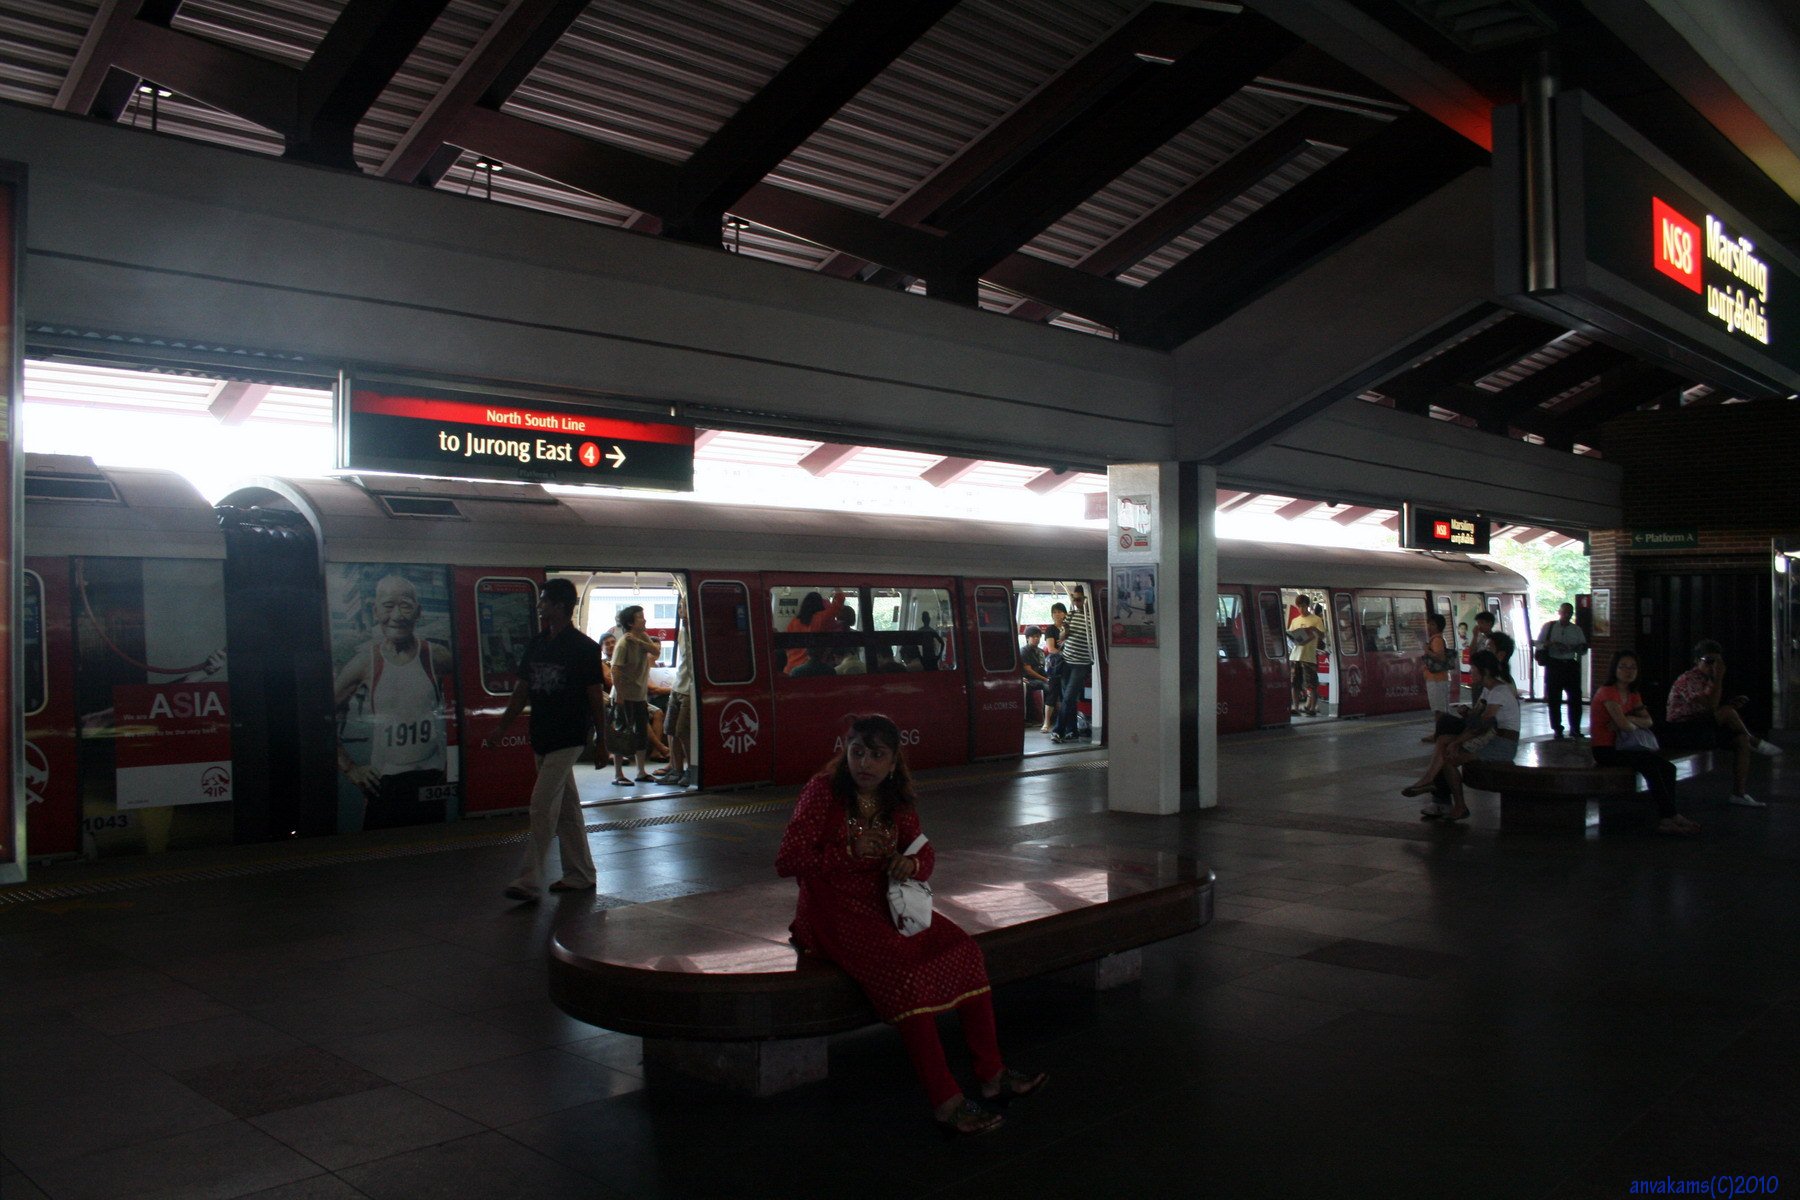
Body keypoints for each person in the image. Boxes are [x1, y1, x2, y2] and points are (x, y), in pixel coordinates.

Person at [775, 714, 1045, 1135]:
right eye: (857, 752)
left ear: (893, 761)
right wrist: (847, 853)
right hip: (832, 912)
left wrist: (912, 864)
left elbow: (924, 852)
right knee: (905, 976)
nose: (864, 763)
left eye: (876, 755)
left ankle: (992, 1073)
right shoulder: (823, 791)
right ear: (845, 752)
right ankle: (946, 1100)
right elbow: (788, 859)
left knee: (964, 950)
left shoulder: (895, 798)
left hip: (887, 904)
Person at [485, 578, 605, 901]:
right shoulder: (537, 644)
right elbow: (521, 691)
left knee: (541, 805)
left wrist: (602, 740)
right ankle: (580, 873)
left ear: (560, 606)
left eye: (544, 601)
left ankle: (529, 879)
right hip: (542, 734)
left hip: (569, 736)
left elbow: (595, 697)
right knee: (566, 809)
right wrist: (502, 728)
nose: (539, 606)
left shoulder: (584, 648)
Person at [333, 575, 453, 829]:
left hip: (430, 778)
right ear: (375, 611)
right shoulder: (365, 662)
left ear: (418, 612)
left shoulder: (437, 657)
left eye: (406, 606)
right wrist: (351, 768)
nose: (397, 616)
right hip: (384, 783)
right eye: (388, 606)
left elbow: (468, 703)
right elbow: (323, 715)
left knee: (430, 847)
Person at [1401, 649, 1519, 822]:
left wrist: (1457, 742)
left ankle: (1458, 804)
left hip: (1502, 745)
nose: (1470, 672)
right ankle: (1429, 779)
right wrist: (1467, 714)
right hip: (1492, 738)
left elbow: (1481, 726)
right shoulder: (1489, 690)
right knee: (1443, 739)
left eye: (1473, 669)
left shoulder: (1498, 692)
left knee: (1449, 760)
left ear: (1485, 671)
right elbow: (1477, 718)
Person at [1660, 640, 1782, 807]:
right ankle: (1754, 740)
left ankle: (1739, 793)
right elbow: (1710, 706)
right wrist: (1719, 679)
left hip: (1700, 726)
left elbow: (1711, 707)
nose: (1713, 666)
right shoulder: (1688, 679)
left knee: (1740, 740)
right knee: (1727, 712)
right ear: (1697, 661)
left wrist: (1728, 703)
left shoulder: (1709, 679)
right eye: (1709, 661)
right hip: (1681, 729)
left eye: (1717, 661)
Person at [1593, 651, 1701, 835]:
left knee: (1668, 768)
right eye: (1623, 667)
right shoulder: (1607, 692)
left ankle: (1669, 816)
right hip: (1606, 750)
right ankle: (1668, 816)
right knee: (1651, 767)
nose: (1628, 671)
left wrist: (1629, 719)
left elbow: (1648, 721)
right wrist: (1629, 721)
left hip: (1627, 747)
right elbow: (1624, 726)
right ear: (1614, 669)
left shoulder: (1633, 694)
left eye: (1632, 667)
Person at [610, 605, 660, 786]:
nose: (644, 619)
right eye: (640, 617)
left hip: (639, 695)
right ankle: (618, 774)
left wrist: (639, 642)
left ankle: (641, 771)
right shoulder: (623, 643)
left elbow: (656, 651)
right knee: (621, 733)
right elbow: (615, 670)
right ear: (630, 623)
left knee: (641, 733)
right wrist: (620, 695)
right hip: (624, 695)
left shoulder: (642, 637)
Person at [653, 596, 695, 788]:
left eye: (684, 607)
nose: (681, 611)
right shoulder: (682, 631)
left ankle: (691, 769)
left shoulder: (696, 631)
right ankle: (676, 769)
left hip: (689, 689)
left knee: (683, 732)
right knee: (670, 729)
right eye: (680, 607)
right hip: (678, 685)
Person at [1536, 603, 1589, 739]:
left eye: (1569, 613)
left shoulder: (1576, 629)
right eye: (1564, 612)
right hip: (1554, 664)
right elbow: (1538, 643)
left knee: (1575, 698)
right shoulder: (1549, 627)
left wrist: (1575, 648)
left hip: (1570, 664)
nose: (1567, 615)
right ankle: (1557, 729)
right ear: (1559, 612)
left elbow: (1583, 648)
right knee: (1554, 699)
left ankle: (1575, 729)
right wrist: (1551, 644)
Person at [1051, 586, 1094, 743]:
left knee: (1068, 697)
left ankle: (1058, 730)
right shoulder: (1071, 615)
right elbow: (1062, 637)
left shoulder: (1092, 618)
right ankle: (1072, 730)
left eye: (1078, 599)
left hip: (1081, 663)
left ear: (1086, 600)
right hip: (1066, 660)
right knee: (1068, 698)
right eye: (1074, 599)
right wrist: (1065, 630)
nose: (1076, 602)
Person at [785, 590, 849, 674]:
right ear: (820, 604)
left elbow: (787, 645)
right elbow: (838, 603)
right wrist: (837, 587)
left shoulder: (793, 622)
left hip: (791, 667)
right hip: (811, 669)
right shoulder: (821, 618)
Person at [1286, 598, 1325, 717]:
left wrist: (1314, 630)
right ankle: (1296, 707)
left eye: (1303, 606)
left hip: (1309, 656)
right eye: (1299, 606)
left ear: (1307, 606)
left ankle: (1312, 708)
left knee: (1311, 683)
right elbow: (1290, 637)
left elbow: (1322, 635)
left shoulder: (1316, 620)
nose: (1301, 609)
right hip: (1295, 655)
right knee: (1294, 683)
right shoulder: (1295, 621)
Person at [1420, 612, 1453, 743]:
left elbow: (1440, 657)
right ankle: (1440, 733)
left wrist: (1426, 650)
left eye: (1432, 624)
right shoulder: (1437, 639)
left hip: (1437, 679)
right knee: (1439, 708)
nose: (1429, 626)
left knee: (1439, 709)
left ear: (1438, 626)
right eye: (1429, 623)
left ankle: (1440, 734)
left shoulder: (1437, 640)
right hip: (1437, 679)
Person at [1039, 603, 1067, 734]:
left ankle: (1062, 722)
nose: (1057, 614)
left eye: (1059, 612)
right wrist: (1065, 654)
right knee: (1053, 693)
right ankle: (1047, 722)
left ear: (1065, 614)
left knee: (1065, 695)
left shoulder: (1068, 628)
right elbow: (1051, 649)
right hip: (1056, 665)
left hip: (1068, 664)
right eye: (1054, 612)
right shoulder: (1051, 629)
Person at [1020, 626, 1048, 722]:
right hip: (1028, 679)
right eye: (1033, 637)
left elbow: (1042, 668)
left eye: (1038, 636)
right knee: (1046, 686)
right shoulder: (1024, 651)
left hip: (1040, 677)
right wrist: (1045, 679)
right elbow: (1028, 670)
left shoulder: (1040, 651)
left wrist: (1048, 677)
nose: (1036, 639)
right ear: (1027, 638)